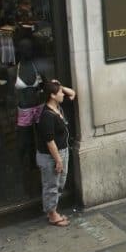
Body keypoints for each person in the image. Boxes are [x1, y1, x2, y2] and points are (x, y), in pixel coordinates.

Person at [36, 79, 76, 227]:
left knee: (59, 182)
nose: (63, 94)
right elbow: (49, 140)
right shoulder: (46, 115)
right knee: (51, 184)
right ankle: (52, 214)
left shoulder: (58, 107)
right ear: (52, 96)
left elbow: (72, 94)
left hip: (62, 151)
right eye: (60, 92)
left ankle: (52, 210)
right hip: (51, 156)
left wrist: (60, 85)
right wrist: (58, 160)